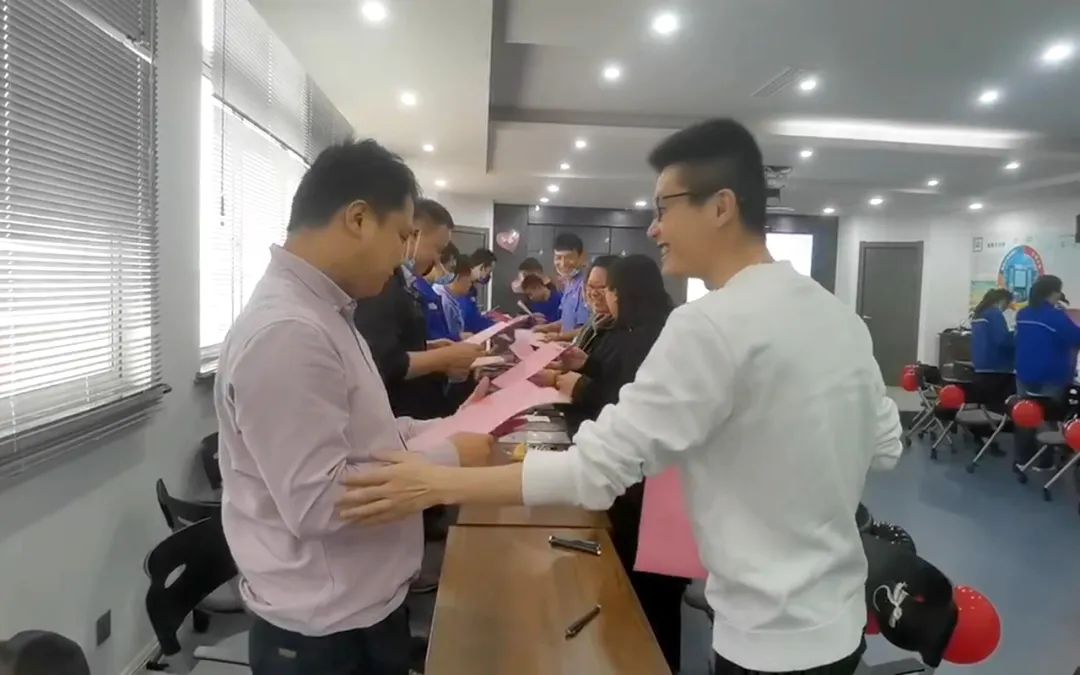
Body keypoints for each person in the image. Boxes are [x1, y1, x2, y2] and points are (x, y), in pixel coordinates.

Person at [339, 119, 903, 675]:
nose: (654, 229)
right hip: (838, 622)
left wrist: (439, 482)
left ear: (721, 206)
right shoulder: (839, 318)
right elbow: (885, 446)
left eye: (663, 208)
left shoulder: (711, 324)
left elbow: (595, 470)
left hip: (767, 635)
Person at [214, 139, 495, 675]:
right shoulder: (289, 332)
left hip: (357, 607)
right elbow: (320, 502)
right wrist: (452, 458)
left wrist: (453, 427)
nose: (405, 255)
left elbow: (372, 435)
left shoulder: (327, 313)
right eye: (402, 235)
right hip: (326, 631)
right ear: (359, 219)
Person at [553, 254, 687, 671]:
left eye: (609, 289)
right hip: (644, 481)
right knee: (641, 586)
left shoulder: (657, 335)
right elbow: (619, 376)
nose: (605, 297)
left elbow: (626, 402)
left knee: (652, 594)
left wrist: (580, 386)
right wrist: (588, 366)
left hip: (654, 486)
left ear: (626, 293)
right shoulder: (643, 328)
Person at [354, 199, 484, 420]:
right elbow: (382, 360)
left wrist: (429, 348)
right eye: (437, 249)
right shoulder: (380, 284)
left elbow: (398, 343)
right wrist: (443, 358)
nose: (437, 260)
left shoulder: (404, 284)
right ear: (413, 235)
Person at [1013, 274, 1080, 469]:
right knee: (1048, 416)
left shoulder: (1023, 313)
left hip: (1024, 372)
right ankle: (1044, 462)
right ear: (1054, 293)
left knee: (1025, 414)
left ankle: (1023, 459)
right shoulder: (1055, 316)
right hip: (1050, 375)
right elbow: (1076, 337)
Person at [534, 233, 589, 338]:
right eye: (558, 258)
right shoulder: (568, 285)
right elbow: (566, 320)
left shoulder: (586, 286)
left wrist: (559, 337)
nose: (563, 264)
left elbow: (587, 329)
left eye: (569, 257)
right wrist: (544, 328)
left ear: (581, 257)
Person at [572, 255, 617, 352]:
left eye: (602, 287)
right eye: (590, 286)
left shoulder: (620, 332)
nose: (594, 293)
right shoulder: (595, 320)